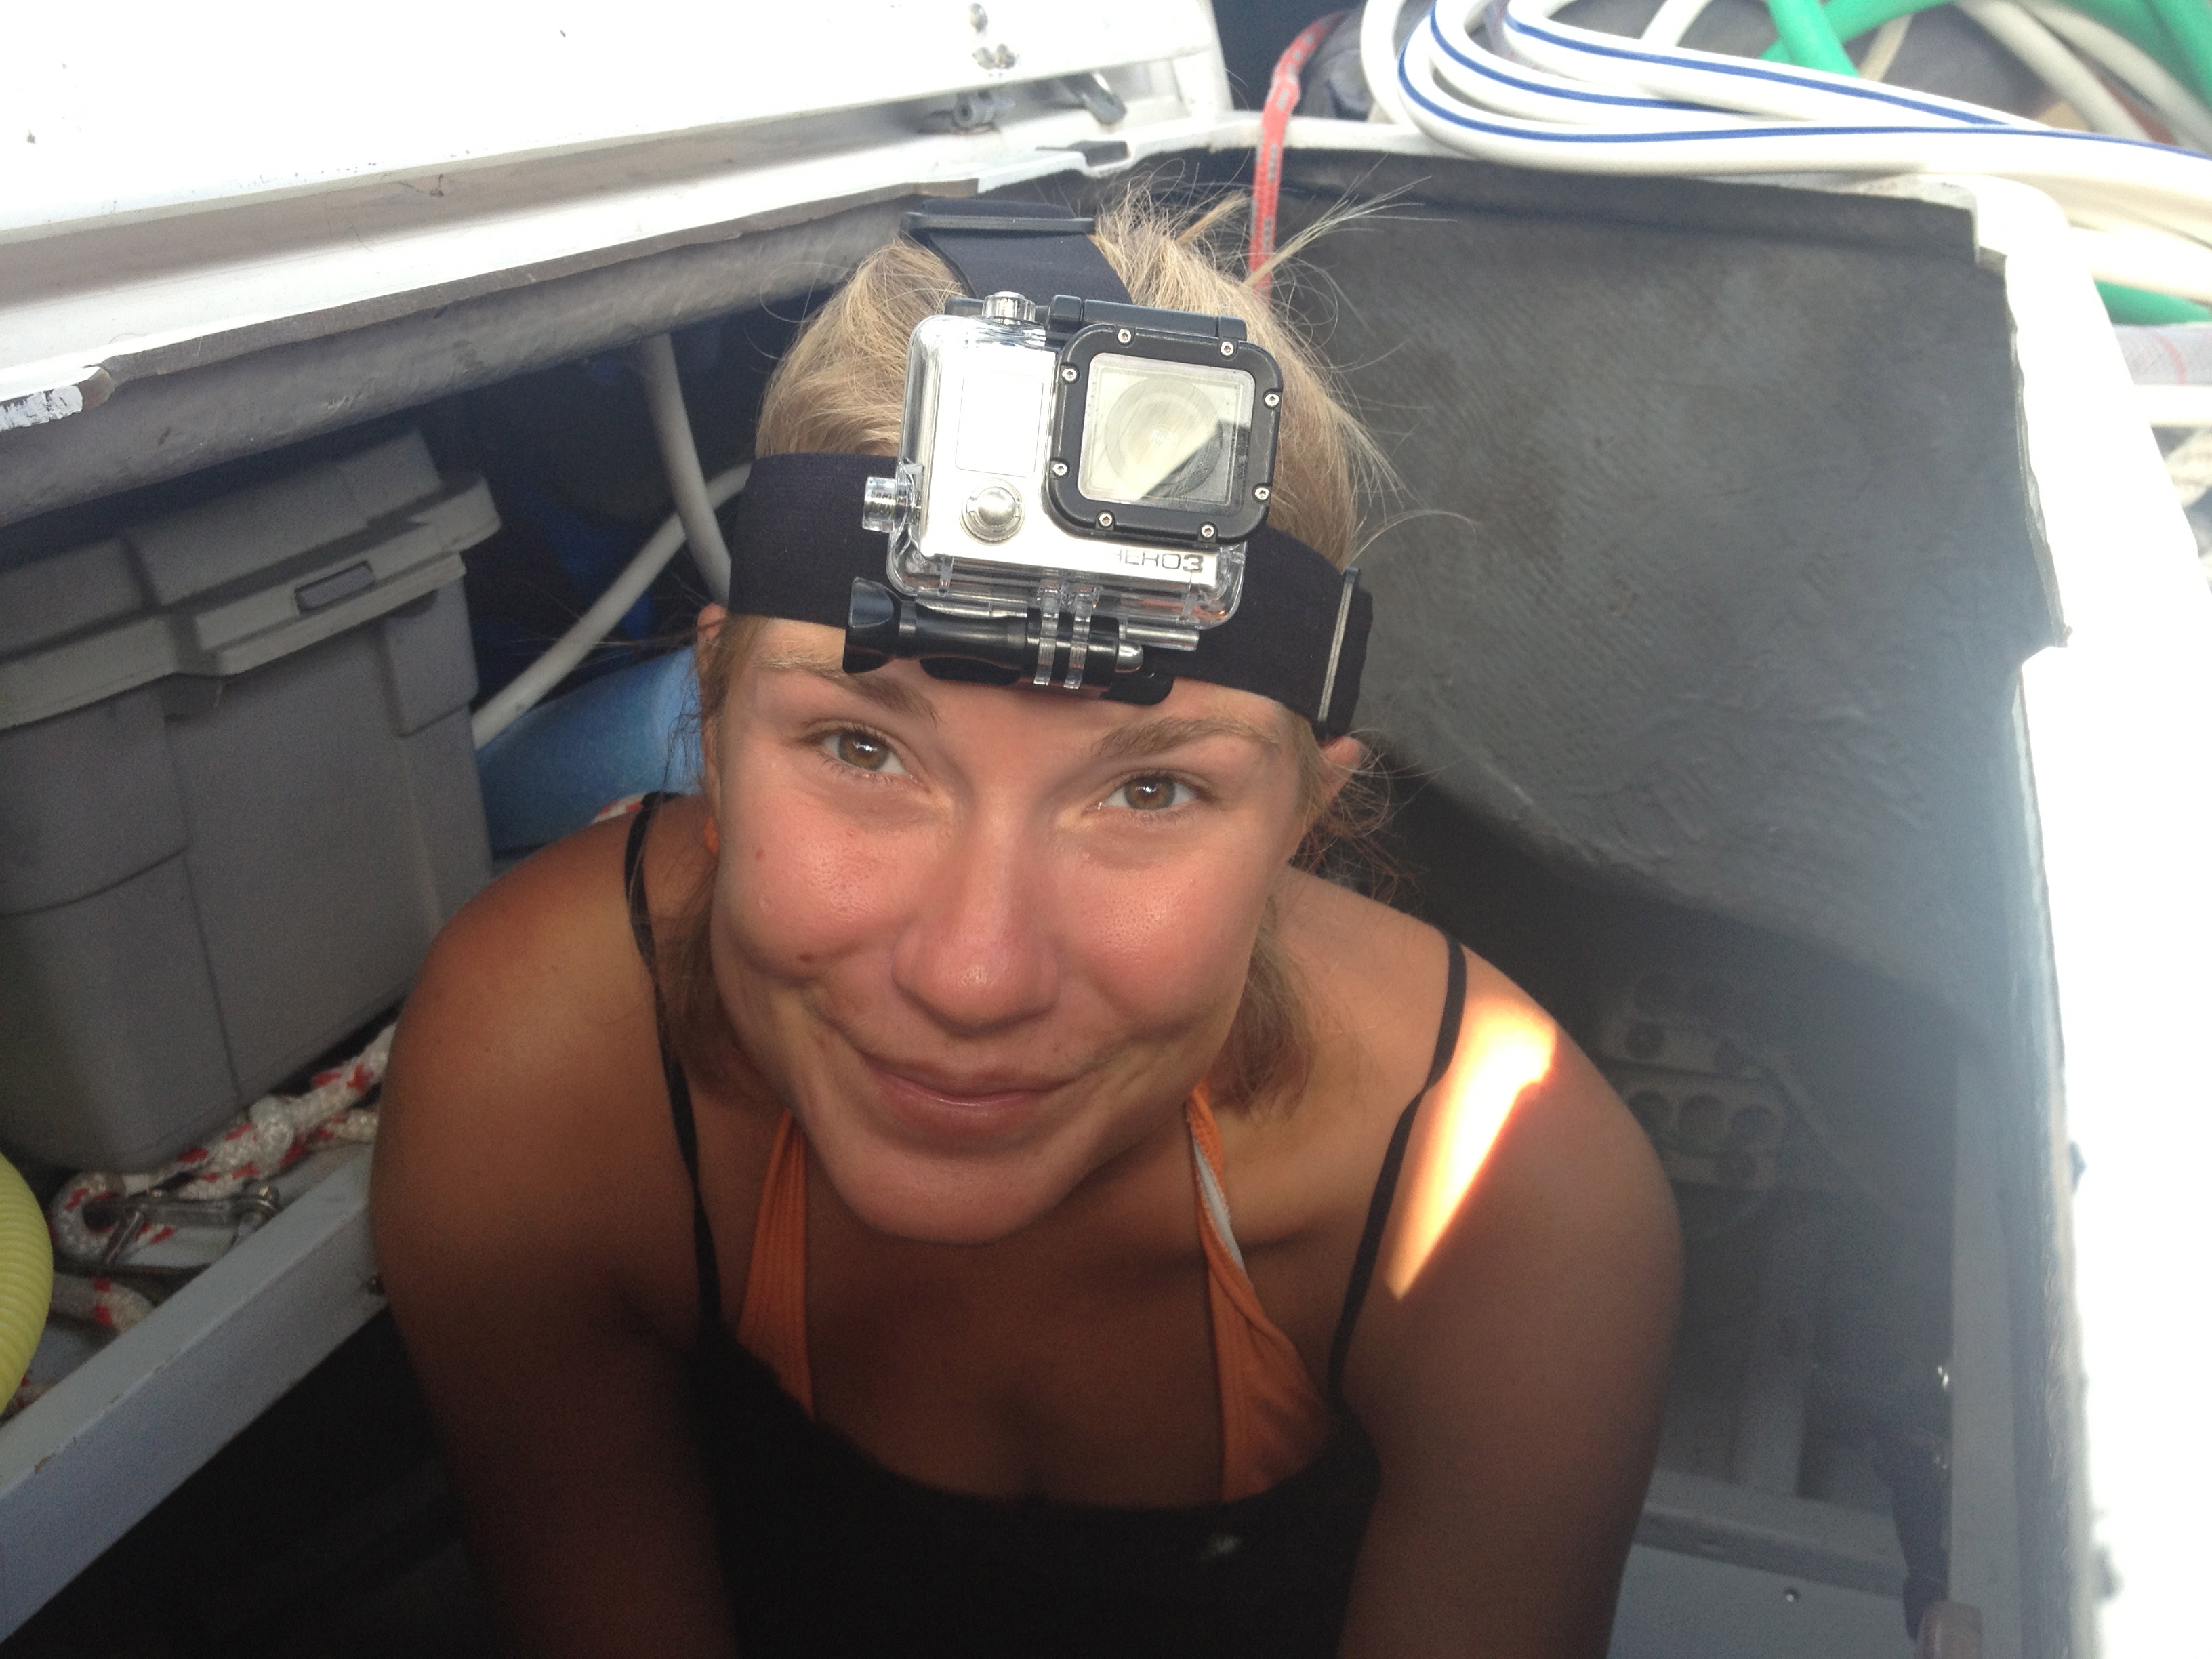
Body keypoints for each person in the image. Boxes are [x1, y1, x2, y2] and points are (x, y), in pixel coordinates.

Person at [372, 193, 1681, 1658]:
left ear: (1299, 829)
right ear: (718, 732)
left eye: (1152, 790)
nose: (974, 975)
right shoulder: (538, 1071)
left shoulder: (1501, 1205)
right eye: (863, 749)